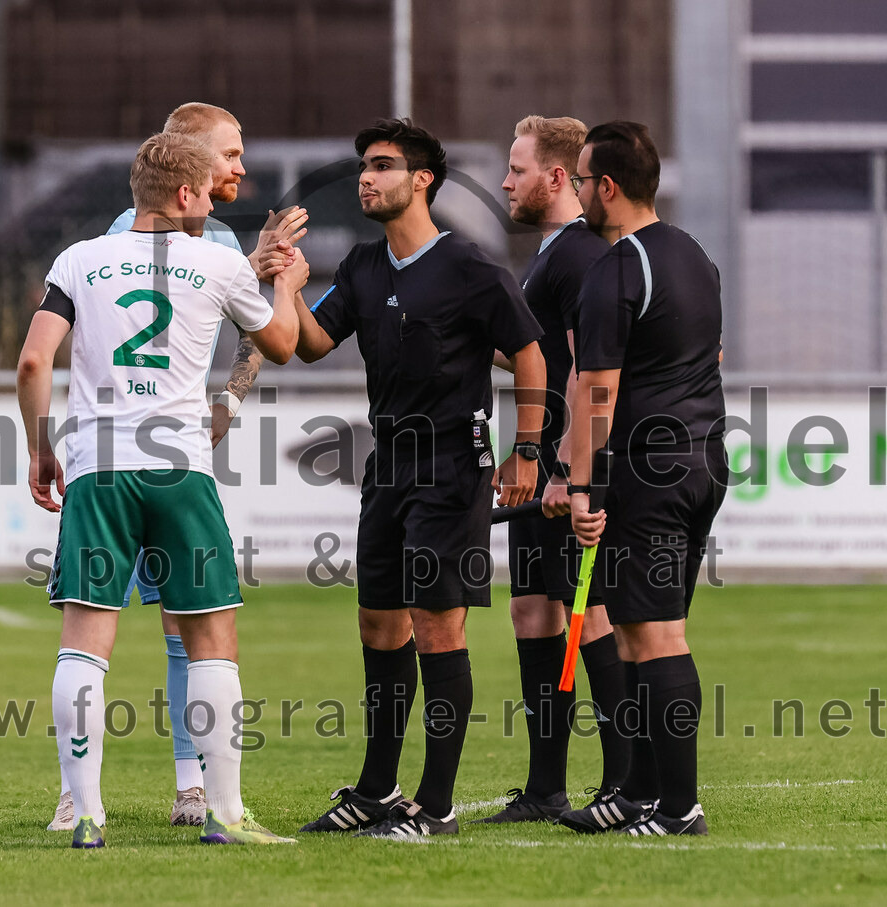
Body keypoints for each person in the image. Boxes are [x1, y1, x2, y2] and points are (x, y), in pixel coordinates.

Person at [18, 131, 308, 847]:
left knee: (85, 642)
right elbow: (279, 344)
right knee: (210, 640)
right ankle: (224, 813)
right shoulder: (215, 262)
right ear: (185, 194)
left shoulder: (78, 260)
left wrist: (40, 448)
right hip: (180, 469)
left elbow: (31, 362)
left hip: (98, 469)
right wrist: (286, 287)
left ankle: (84, 811)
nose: (211, 202)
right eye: (207, 192)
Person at [293, 118, 546, 838]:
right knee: (378, 623)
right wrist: (286, 284)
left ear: (422, 179)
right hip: (389, 469)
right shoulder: (364, 268)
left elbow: (529, 354)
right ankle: (376, 790)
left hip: (451, 470)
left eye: (381, 165)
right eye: (362, 167)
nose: (365, 178)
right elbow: (312, 344)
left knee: (439, 629)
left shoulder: (470, 265)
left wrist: (526, 450)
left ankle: (434, 807)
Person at [561, 121, 727, 836]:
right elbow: (713, 359)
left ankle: (680, 805)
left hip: (647, 473)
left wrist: (579, 488)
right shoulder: (697, 258)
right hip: (701, 462)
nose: (575, 193)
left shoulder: (619, 266)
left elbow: (596, 390)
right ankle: (642, 795)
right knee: (638, 632)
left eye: (580, 180)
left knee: (656, 636)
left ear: (608, 186)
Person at [475, 116, 629, 825]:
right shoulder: (549, 257)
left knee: (589, 614)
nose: (505, 181)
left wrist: (575, 467)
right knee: (532, 611)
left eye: (517, 168)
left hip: (572, 472)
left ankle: (627, 783)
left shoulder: (582, 256)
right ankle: (545, 788)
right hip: (540, 472)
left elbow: (602, 364)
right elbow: (538, 354)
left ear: (558, 177)